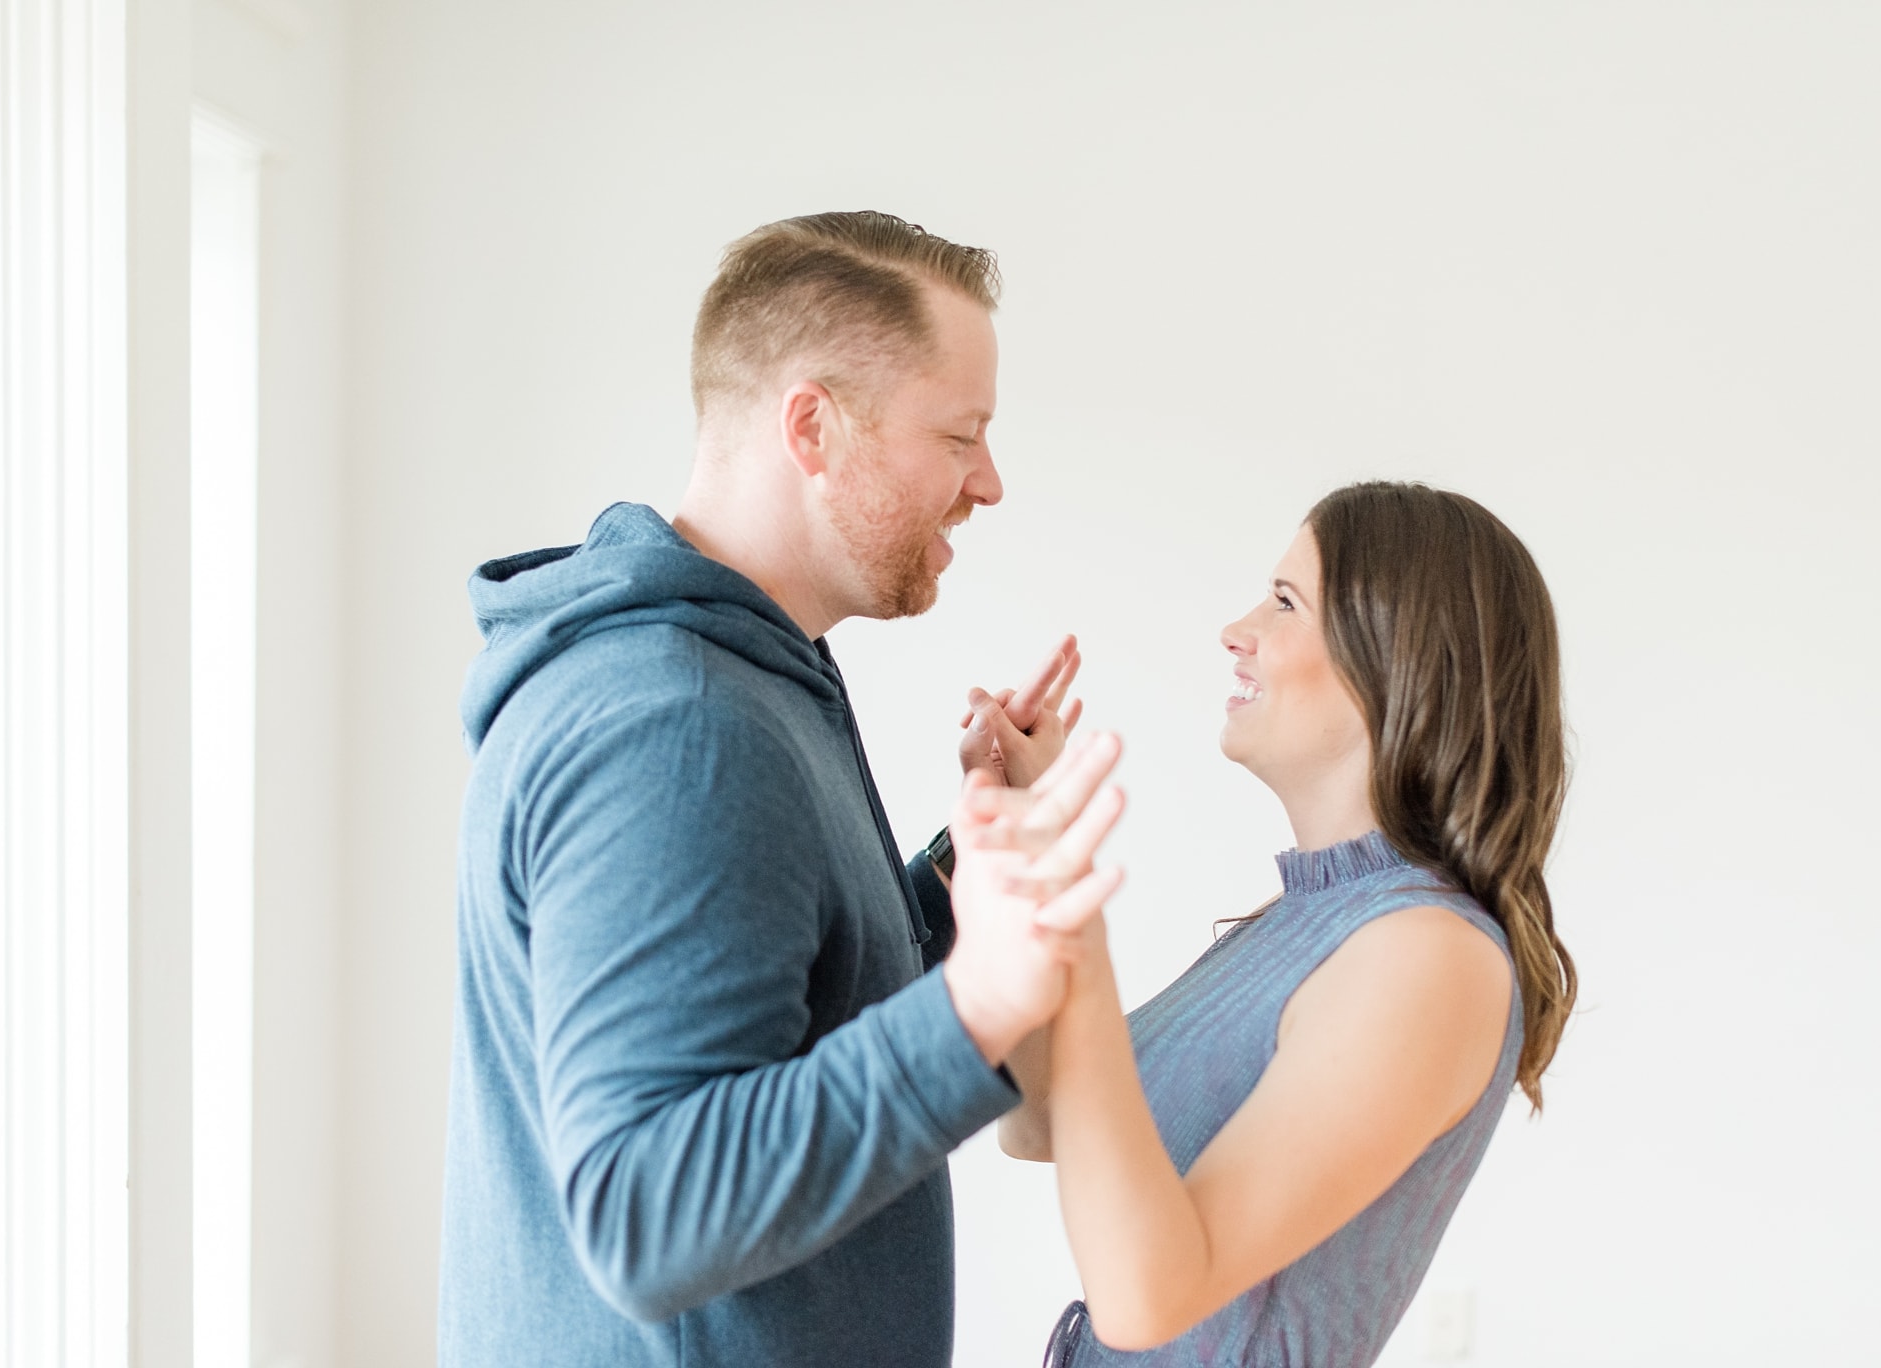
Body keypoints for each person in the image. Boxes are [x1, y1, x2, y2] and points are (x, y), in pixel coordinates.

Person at [436, 211, 1118, 1367]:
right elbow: (645, 1213)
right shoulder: (678, 725)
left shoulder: (749, 679)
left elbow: (790, 1002)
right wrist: (975, 1009)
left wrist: (968, 867)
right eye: (959, 433)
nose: (987, 483)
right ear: (812, 426)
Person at [959, 481, 1578, 1366]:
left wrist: (1077, 917)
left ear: (1396, 660)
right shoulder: (1302, 926)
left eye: (1286, 602)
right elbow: (1039, 1119)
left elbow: (1143, 1298)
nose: (1235, 630)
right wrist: (1026, 836)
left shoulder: (1427, 956)